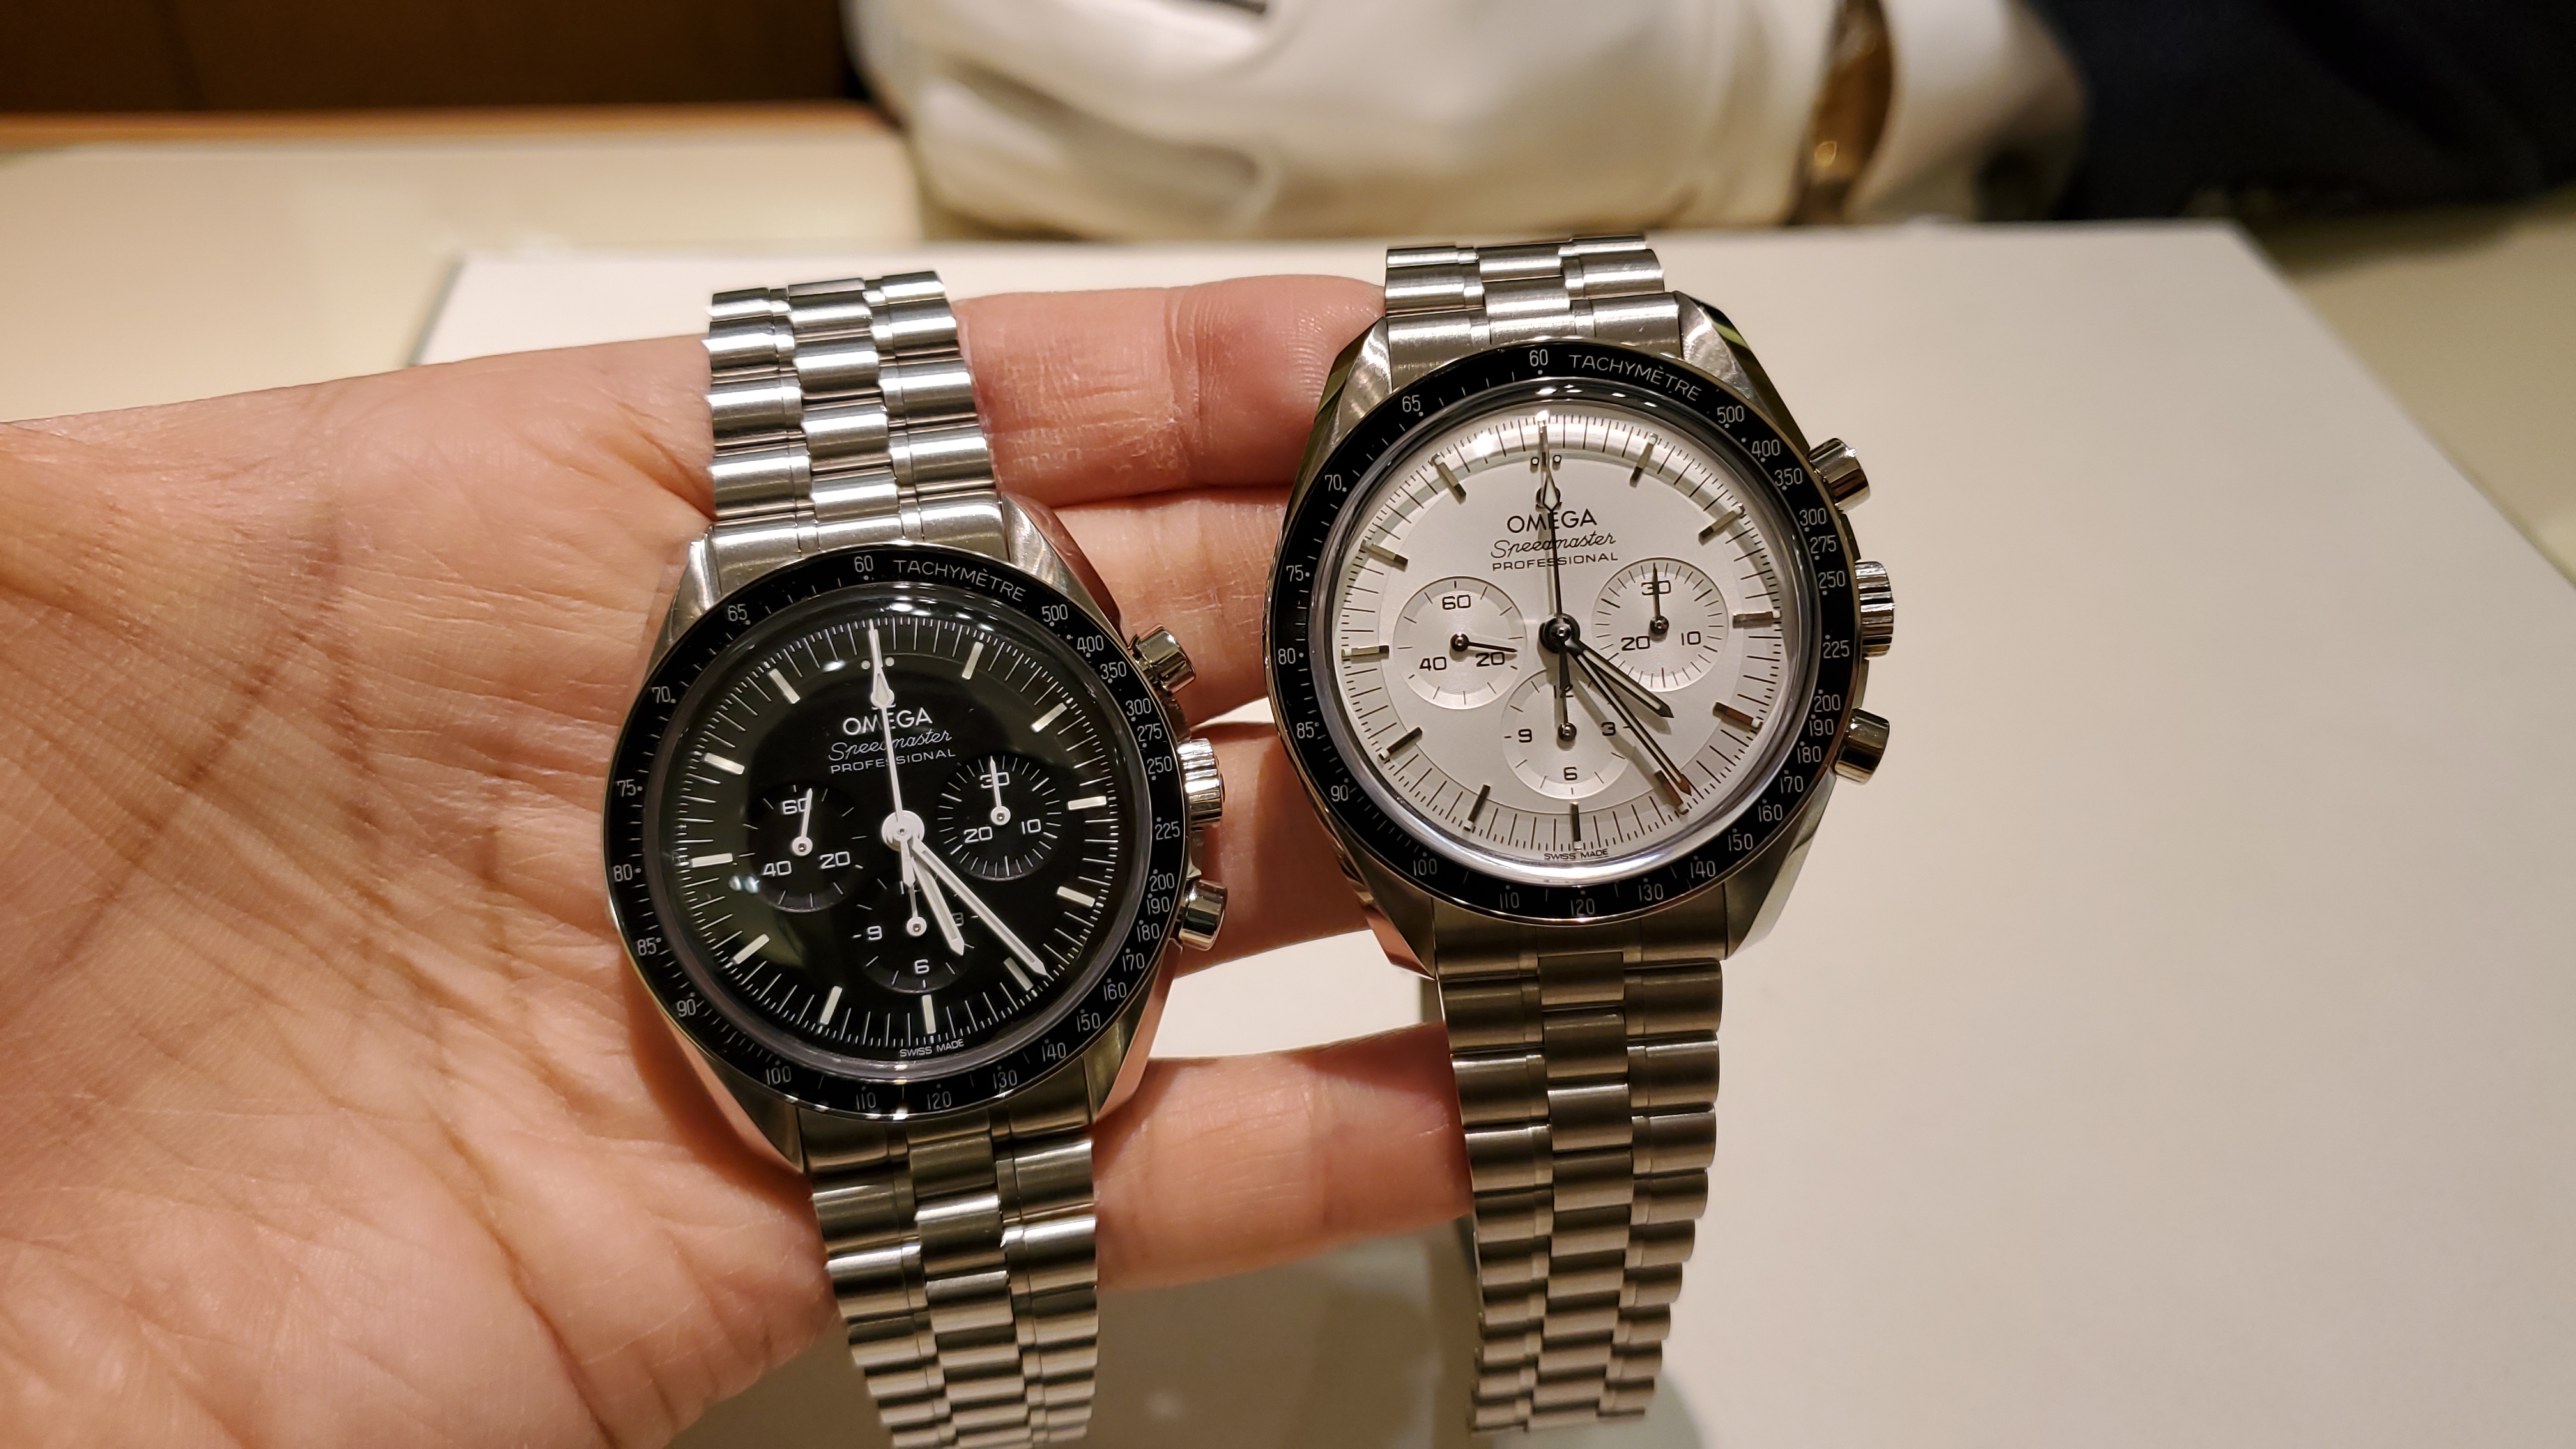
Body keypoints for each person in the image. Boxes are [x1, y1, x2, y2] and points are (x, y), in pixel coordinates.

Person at [0, 277, 1471, 1446]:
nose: (904, 828)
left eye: (929, 816)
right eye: (880, 826)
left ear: (1168, 771)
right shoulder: (715, 711)